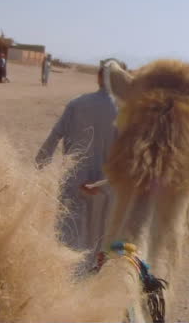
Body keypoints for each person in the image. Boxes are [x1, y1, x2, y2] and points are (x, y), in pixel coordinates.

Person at [35, 58, 126, 276]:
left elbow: (52, 141)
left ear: (98, 77)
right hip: (108, 189)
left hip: (73, 184)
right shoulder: (125, 112)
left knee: (69, 243)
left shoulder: (77, 104)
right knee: (101, 244)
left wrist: (41, 167)